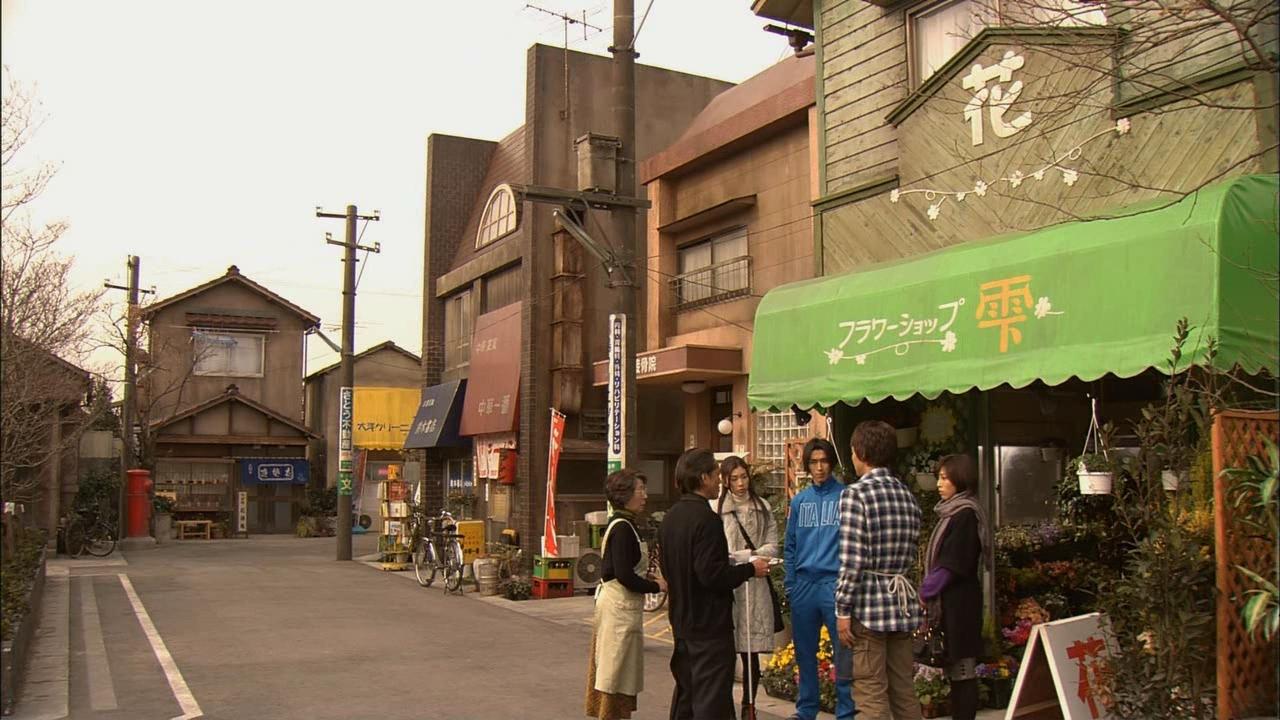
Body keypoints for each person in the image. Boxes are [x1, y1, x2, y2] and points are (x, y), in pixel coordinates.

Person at [660, 448, 770, 720]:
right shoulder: (706, 520)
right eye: (714, 474)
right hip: (709, 626)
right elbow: (712, 575)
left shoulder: (670, 517)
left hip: (682, 622)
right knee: (712, 701)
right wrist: (748, 569)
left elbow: (666, 569)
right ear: (702, 478)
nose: (718, 481)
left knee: (687, 695)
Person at [835, 420, 923, 720]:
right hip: (901, 604)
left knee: (870, 692)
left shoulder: (855, 494)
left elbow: (852, 560)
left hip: (868, 606)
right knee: (903, 690)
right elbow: (912, 552)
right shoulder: (907, 495)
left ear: (860, 452)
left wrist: (842, 610)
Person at [586, 469, 668, 720]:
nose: (644, 495)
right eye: (639, 490)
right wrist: (657, 587)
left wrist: (648, 579)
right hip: (618, 609)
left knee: (620, 669)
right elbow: (624, 574)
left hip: (619, 606)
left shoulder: (625, 523)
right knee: (615, 669)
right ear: (624, 495)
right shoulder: (622, 528)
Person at [784, 437, 854, 720]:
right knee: (804, 652)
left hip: (833, 584)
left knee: (844, 653)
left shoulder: (846, 497)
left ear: (831, 463)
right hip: (803, 585)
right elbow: (789, 545)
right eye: (813, 462)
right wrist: (791, 584)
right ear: (807, 466)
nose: (819, 467)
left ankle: (846, 711)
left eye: (824, 461)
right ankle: (806, 709)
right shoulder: (800, 501)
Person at [918, 454, 988, 720]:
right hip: (952, 602)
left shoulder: (965, 514)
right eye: (939, 477)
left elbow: (952, 563)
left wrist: (926, 591)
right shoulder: (953, 511)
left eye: (945, 478)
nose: (939, 483)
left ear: (960, 479)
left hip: (960, 605)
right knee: (956, 672)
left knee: (962, 672)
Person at [713, 456, 779, 720]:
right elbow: (719, 551)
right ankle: (724, 705)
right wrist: (741, 557)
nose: (740, 483)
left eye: (744, 477)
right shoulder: (717, 510)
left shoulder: (762, 507)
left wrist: (750, 554)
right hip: (729, 585)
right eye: (734, 478)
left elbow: (773, 544)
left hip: (756, 583)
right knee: (729, 646)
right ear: (725, 482)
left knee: (751, 650)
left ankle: (748, 704)